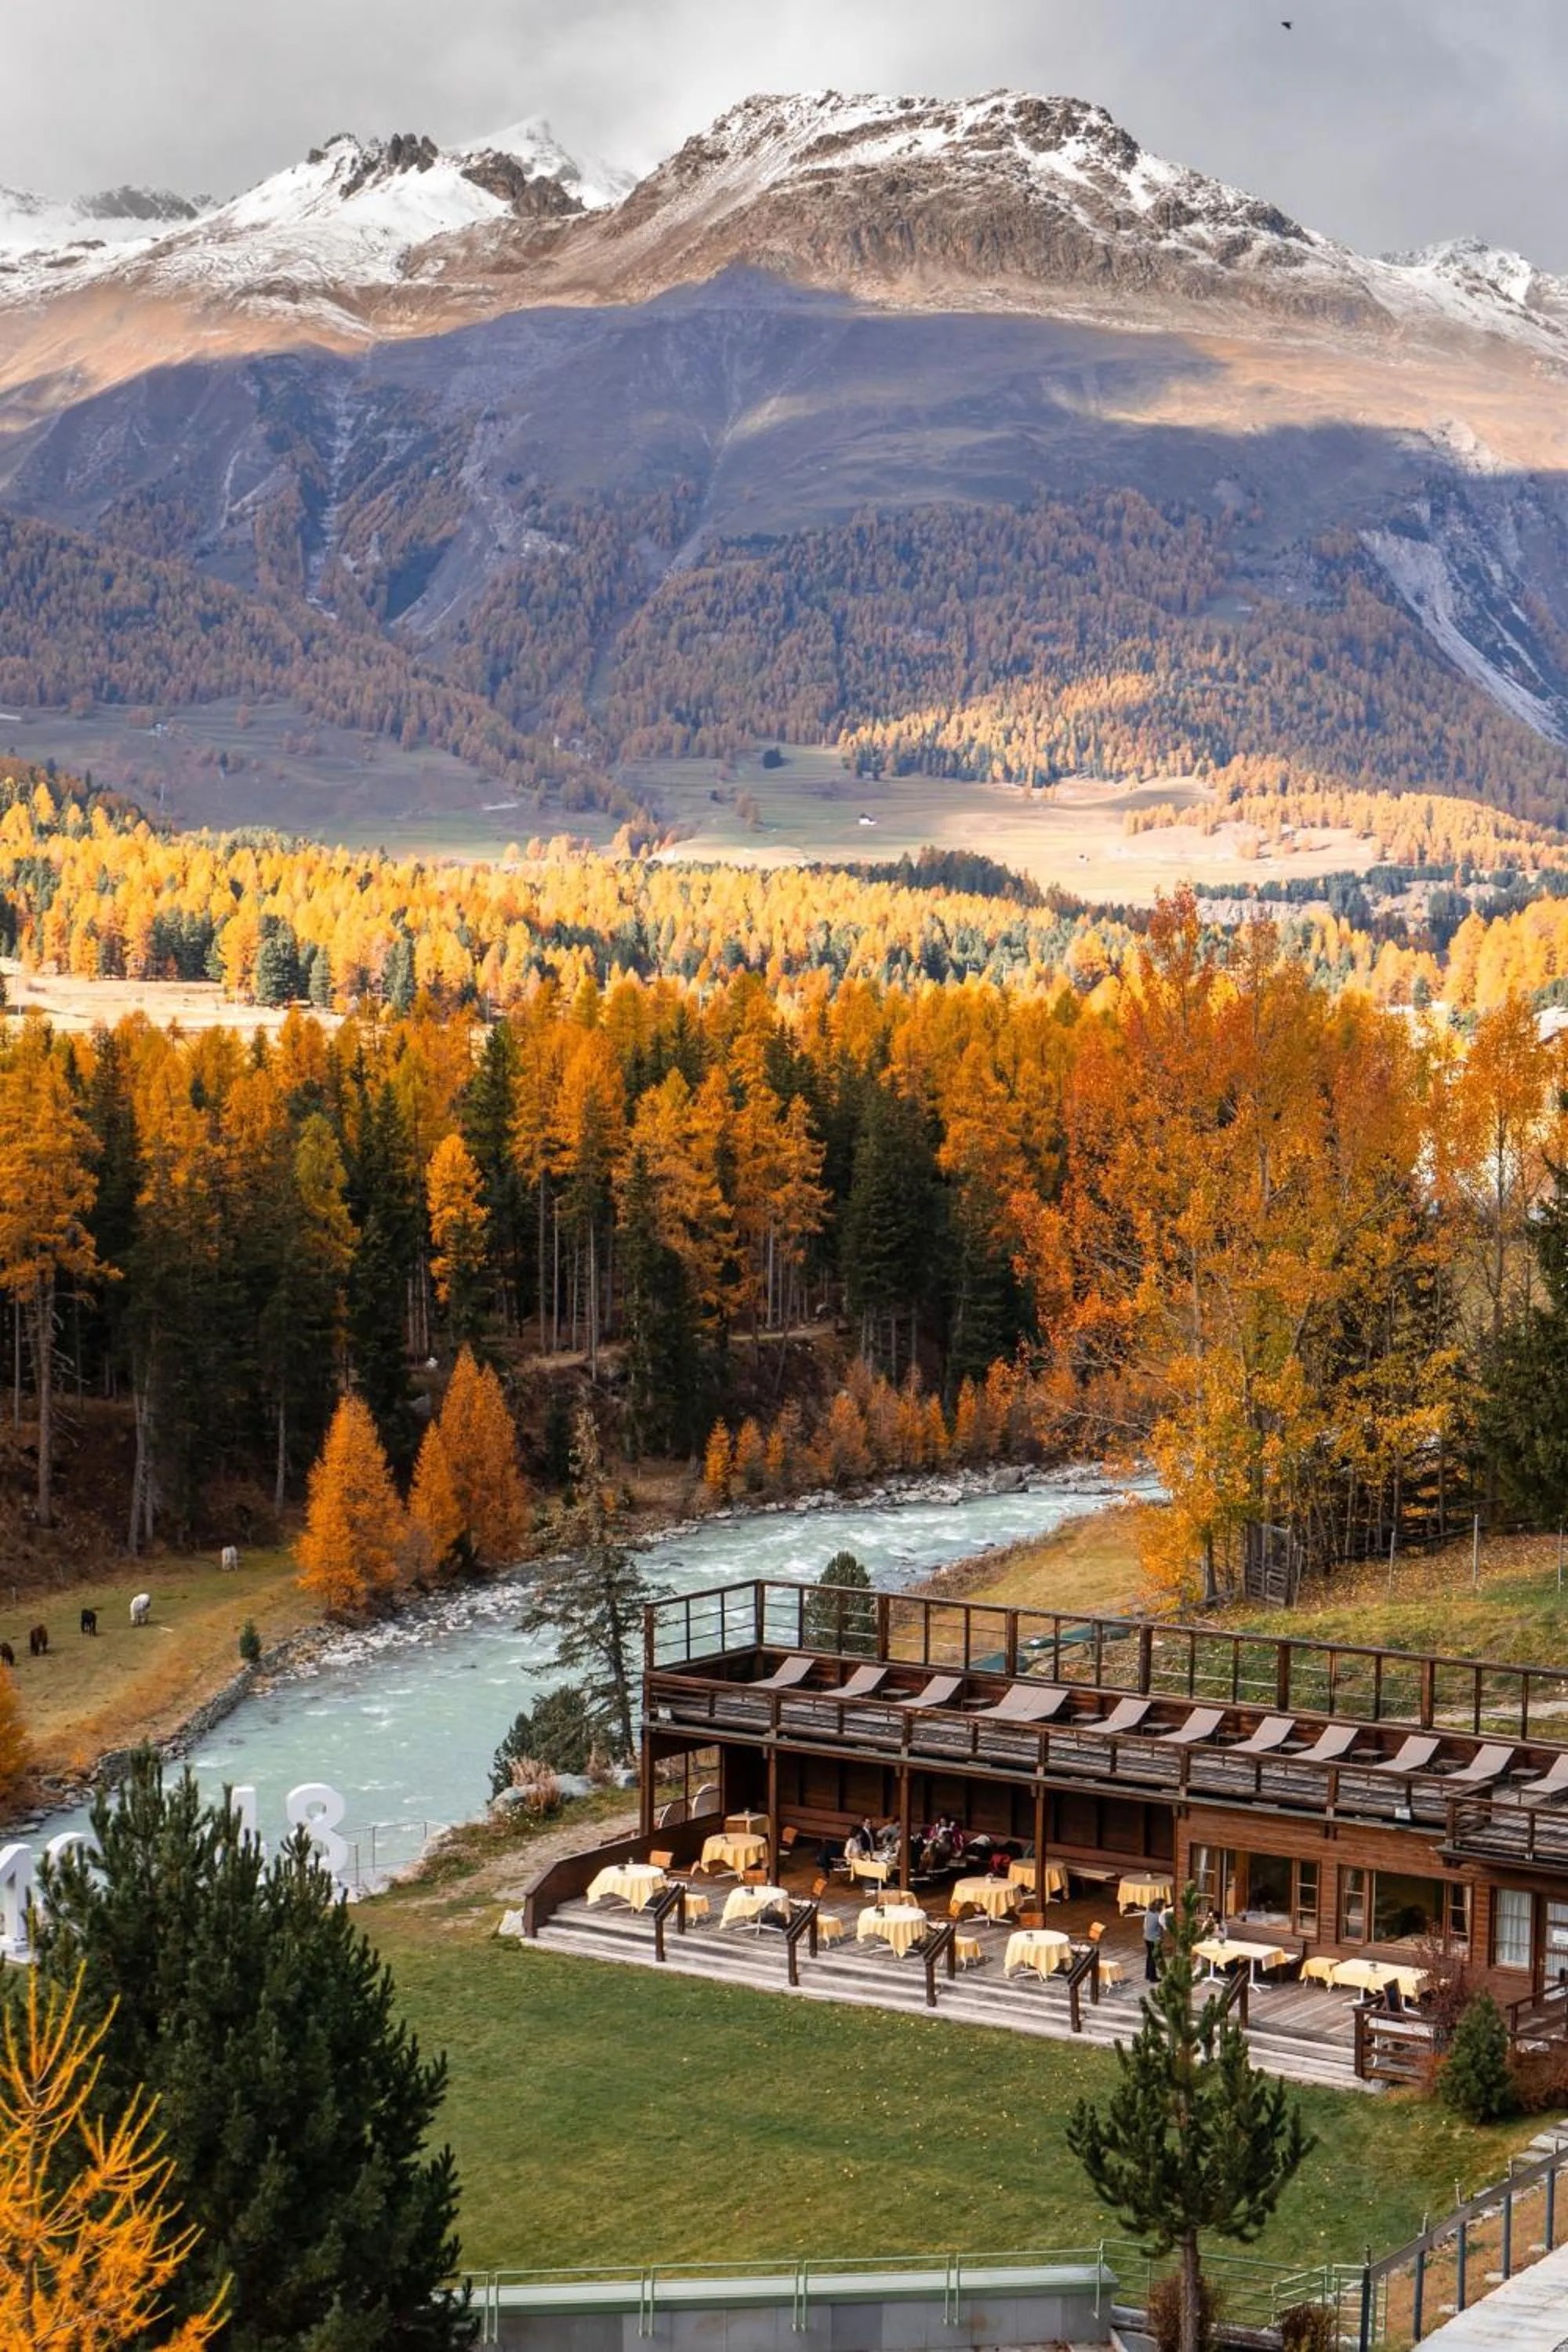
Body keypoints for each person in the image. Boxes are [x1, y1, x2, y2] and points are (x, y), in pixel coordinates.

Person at [1143, 1896, 1166, 1982]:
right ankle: (1153, 1977)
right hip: (1155, 1939)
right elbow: (1164, 1925)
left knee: (1149, 1956)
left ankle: (1148, 1974)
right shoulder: (1159, 1915)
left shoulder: (1148, 1911)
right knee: (1154, 1958)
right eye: (1164, 1905)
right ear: (1160, 1906)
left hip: (1146, 1937)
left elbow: (1145, 1924)